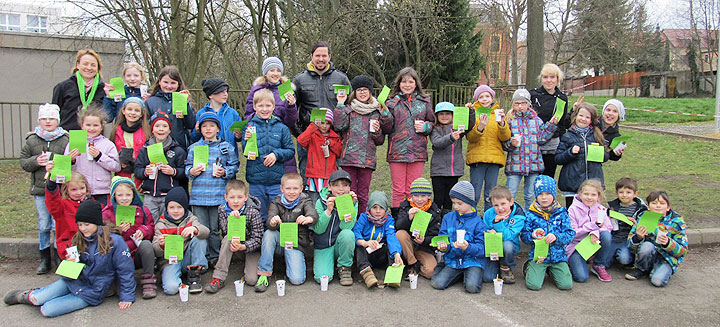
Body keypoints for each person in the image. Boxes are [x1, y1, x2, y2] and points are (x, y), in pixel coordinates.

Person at [3, 200, 135, 317]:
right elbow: (68, 275)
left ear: (97, 222)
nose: (83, 229)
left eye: (87, 224)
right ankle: (26, 295)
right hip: (73, 281)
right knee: (38, 299)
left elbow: (125, 270)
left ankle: (45, 296)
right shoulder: (78, 239)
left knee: (47, 310)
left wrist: (127, 296)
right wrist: (69, 264)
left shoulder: (114, 241)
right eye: (80, 225)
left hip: (93, 291)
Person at [20, 104, 69, 274]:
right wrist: (36, 161)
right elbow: (23, 162)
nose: (48, 121)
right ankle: (44, 258)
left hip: (59, 189)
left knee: (57, 224)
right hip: (40, 190)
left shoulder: (65, 139)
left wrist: (57, 161)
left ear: (58, 120)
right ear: (39, 120)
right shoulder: (32, 139)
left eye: (52, 118)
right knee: (43, 224)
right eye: (44, 118)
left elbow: (70, 161)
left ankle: (58, 255)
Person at [185, 111, 239, 265]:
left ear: (218, 129)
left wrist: (225, 172)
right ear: (200, 129)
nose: (208, 129)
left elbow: (234, 166)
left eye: (212, 126)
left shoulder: (226, 147)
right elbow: (187, 169)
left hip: (218, 195)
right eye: (204, 126)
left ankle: (215, 257)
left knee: (215, 230)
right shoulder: (194, 148)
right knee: (202, 229)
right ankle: (202, 258)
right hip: (199, 196)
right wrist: (192, 171)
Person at [333, 75, 393, 213]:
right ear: (354, 92)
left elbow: (381, 139)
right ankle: (348, 222)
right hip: (348, 159)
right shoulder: (348, 110)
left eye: (365, 89)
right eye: (359, 90)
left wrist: (378, 130)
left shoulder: (376, 111)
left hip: (367, 160)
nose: (362, 92)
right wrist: (340, 104)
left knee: (363, 195)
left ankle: (361, 221)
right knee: (348, 193)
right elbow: (338, 126)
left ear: (370, 91)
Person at [293, 42, 351, 179]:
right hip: (309, 138)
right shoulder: (300, 80)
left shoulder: (341, 79)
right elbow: (291, 109)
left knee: (335, 179)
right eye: (317, 55)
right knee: (307, 178)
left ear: (329, 56)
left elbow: (350, 105)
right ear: (311, 56)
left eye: (324, 56)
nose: (321, 59)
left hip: (333, 137)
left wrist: (342, 131)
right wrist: (299, 133)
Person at [254, 173, 317, 292]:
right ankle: (264, 274)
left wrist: (309, 218)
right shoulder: (276, 201)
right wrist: (273, 222)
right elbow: (269, 218)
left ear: (301, 189)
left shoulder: (305, 200)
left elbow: (313, 213)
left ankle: (287, 265)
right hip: (280, 241)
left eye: (295, 188)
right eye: (288, 188)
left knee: (297, 280)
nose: (291, 192)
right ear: (282, 189)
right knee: (269, 234)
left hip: (296, 243)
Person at [385, 67, 435, 212]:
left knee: (413, 189)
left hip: (417, 152)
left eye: (410, 82)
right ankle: (397, 221)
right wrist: (383, 114)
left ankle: (412, 221)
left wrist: (425, 127)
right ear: (399, 83)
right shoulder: (391, 102)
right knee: (398, 190)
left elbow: (433, 123)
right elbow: (387, 127)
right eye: (404, 81)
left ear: (416, 83)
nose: (407, 85)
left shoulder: (424, 102)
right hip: (396, 152)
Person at [242, 89, 295, 221]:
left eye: (268, 106)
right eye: (260, 106)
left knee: (277, 216)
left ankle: (275, 240)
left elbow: (290, 150)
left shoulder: (282, 128)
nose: (264, 109)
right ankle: (259, 240)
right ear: (254, 107)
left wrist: (276, 155)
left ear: (273, 106)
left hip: (276, 181)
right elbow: (247, 153)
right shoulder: (249, 126)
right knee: (258, 216)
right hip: (256, 181)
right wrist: (246, 141)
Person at [101, 177, 157, 298]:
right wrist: (116, 230)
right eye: (120, 195)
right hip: (117, 255)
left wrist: (143, 231)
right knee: (118, 291)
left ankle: (148, 281)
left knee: (146, 245)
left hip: (135, 252)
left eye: (128, 195)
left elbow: (151, 226)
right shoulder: (107, 212)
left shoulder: (142, 210)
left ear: (133, 195)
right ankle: (111, 279)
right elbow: (101, 234)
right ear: (113, 195)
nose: (124, 198)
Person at [504, 89, 558, 212]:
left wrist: (551, 125)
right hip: (515, 165)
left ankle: (530, 219)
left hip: (533, 164)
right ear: (513, 104)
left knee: (531, 196)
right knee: (510, 195)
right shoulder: (510, 121)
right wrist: (510, 144)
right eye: (517, 103)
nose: (520, 106)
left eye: (523, 103)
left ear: (529, 104)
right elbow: (504, 143)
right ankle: (508, 219)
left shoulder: (537, 120)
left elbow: (542, 139)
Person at [205, 180, 263, 294]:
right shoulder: (222, 210)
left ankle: (252, 267)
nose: (236, 201)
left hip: (251, 248)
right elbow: (226, 232)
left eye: (240, 197)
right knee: (227, 238)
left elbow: (258, 238)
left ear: (246, 197)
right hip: (234, 245)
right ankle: (218, 277)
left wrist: (244, 246)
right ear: (226, 197)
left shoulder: (253, 212)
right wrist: (231, 221)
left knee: (251, 280)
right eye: (232, 197)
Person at [430, 181, 487, 294]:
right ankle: (454, 272)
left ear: (470, 202)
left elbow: (482, 248)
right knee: (437, 283)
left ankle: (469, 274)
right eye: (454, 203)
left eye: (459, 203)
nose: (456, 206)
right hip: (453, 260)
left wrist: (467, 247)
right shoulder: (448, 218)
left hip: (473, 261)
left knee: (472, 287)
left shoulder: (478, 222)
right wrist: (443, 247)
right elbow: (443, 236)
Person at [520, 175, 575, 291]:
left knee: (566, 285)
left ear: (554, 195)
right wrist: (532, 235)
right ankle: (529, 267)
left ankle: (551, 270)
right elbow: (524, 236)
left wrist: (556, 237)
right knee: (533, 285)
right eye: (540, 194)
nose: (544, 198)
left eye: (548, 194)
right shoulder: (531, 214)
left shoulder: (562, 213)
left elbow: (570, 234)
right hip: (539, 256)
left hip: (558, 257)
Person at [245, 57, 299, 173]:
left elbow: (291, 121)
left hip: (280, 137)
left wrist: (291, 106)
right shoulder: (256, 90)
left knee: (285, 176)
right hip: (260, 136)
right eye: (272, 70)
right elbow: (248, 115)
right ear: (265, 73)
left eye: (278, 70)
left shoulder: (287, 90)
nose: (275, 74)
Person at [153, 187, 209, 294]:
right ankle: (177, 279)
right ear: (166, 208)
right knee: (171, 289)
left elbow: (206, 232)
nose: (175, 211)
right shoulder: (160, 225)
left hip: (188, 258)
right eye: (171, 207)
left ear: (185, 208)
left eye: (179, 207)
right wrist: (161, 245)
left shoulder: (191, 219)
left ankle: (195, 273)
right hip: (170, 261)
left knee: (200, 238)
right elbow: (155, 251)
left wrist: (195, 229)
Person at [626, 191, 688, 287]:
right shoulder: (643, 218)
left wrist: (668, 243)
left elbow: (682, 251)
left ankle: (659, 270)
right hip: (648, 254)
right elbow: (630, 246)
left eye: (662, 203)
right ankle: (641, 269)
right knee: (647, 246)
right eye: (654, 203)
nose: (658, 206)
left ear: (668, 207)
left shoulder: (676, 223)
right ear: (649, 207)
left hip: (667, 259)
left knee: (657, 281)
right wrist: (638, 237)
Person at [134, 113, 187, 221]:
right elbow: (137, 170)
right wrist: (145, 171)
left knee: (166, 222)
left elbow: (184, 172)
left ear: (169, 130)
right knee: (150, 221)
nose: (161, 129)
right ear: (152, 130)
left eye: (164, 126)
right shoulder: (145, 149)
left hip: (168, 195)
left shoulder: (177, 150)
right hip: (150, 194)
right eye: (157, 126)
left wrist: (173, 171)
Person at [465, 85, 510, 211]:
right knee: (475, 192)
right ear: (477, 99)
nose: (485, 99)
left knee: (490, 194)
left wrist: (502, 124)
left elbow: (505, 137)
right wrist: (480, 127)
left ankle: (489, 220)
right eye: (481, 97)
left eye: (487, 96)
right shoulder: (474, 113)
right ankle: (471, 217)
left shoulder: (498, 113)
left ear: (492, 98)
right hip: (477, 159)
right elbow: (470, 137)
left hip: (494, 159)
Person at [65, 106, 121, 206]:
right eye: (88, 125)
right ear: (82, 126)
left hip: (101, 190)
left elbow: (116, 167)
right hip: (79, 190)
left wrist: (100, 156)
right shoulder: (73, 143)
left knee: (101, 217)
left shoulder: (108, 144)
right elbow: (64, 168)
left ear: (101, 126)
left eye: (95, 125)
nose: (91, 128)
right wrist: (70, 160)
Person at [556, 102, 608, 207]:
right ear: (575, 117)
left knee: (593, 214)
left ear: (591, 120)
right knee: (573, 213)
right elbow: (558, 158)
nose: (583, 119)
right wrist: (570, 152)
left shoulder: (596, 135)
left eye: (587, 117)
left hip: (593, 182)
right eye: (581, 115)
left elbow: (606, 157)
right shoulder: (567, 136)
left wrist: (599, 152)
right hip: (573, 184)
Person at [313, 169, 358, 285]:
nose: (341, 189)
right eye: (336, 185)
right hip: (323, 245)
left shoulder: (353, 202)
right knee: (322, 278)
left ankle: (344, 267)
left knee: (348, 234)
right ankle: (328, 264)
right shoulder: (320, 202)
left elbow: (346, 227)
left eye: (345, 185)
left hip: (340, 244)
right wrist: (328, 211)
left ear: (349, 188)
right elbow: (318, 229)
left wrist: (350, 206)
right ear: (329, 187)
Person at [393, 178, 443, 279]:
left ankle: (416, 265)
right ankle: (412, 263)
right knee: (400, 234)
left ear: (429, 196)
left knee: (430, 272)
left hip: (424, 248)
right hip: (407, 245)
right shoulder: (405, 206)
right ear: (411, 196)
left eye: (423, 196)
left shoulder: (434, 210)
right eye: (416, 196)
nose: (419, 199)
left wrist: (424, 240)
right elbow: (397, 226)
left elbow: (436, 234)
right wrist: (408, 218)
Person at [430, 102, 474, 212]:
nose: (444, 116)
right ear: (436, 116)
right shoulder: (435, 129)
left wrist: (470, 112)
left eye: (448, 114)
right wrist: (451, 137)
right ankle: (437, 221)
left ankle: (447, 219)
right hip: (438, 171)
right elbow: (437, 142)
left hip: (454, 171)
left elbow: (470, 125)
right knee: (438, 198)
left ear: (453, 115)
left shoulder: (458, 127)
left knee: (450, 199)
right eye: (441, 114)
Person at [566, 179, 614, 282]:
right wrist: (592, 227)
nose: (589, 197)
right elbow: (572, 233)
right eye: (586, 194)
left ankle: (598, 264)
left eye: (593, 195)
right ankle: (574, 262)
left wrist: (595, 232)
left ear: (598, 196)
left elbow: (608, 227)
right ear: (580, 194)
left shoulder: (601, 209)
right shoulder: (572, 209)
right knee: (581, 278)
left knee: (606, 235)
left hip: (593, 244)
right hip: (577, 246)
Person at [353, 191, 403, 288]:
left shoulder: (389, 220)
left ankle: (393, 274)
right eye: (374, 207)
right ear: (369, 208)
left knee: (391, 248)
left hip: (380, 253)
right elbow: (356, 231)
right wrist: (364, 242)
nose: (378, 211)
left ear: (386, 209)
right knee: (359, 247)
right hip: (366, 252)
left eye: (381, 208)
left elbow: (391, 236)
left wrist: (396, 253)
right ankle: (367, 273)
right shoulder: (364, 217)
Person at [529, 63, 571, 178]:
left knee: (548, 177)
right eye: (545, 77)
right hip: (535, 143)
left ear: (557, 79)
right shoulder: (533, 95)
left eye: (552, 77)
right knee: (534, 179)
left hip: (553, 144)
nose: (549, 80)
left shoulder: (562, 98)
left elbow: (562, 124)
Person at [52, 49, 105, 130]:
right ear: (77, 65)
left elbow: (108, 116)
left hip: (93, 136)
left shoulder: (103, 89)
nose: (89, 68)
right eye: (85, 64)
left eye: (93, 65)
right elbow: (54, 113)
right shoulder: (63, 87)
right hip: (68, 134)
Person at [145, 65, 196, 150]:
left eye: (173, 83)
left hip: (179, 146)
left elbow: (190, 124)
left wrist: (186, 105)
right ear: (159, 82)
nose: (169, 86)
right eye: (165, 82)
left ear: (178, 84)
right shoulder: (150, 102)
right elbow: (146, 126)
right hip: (156, 147)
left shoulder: (183, 100)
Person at [482, 186, 525, 284]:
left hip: (509, 247)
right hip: (492, 249)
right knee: (487, 278)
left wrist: (497, 224)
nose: (500, 208)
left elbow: (509, 236)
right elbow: (483, 229)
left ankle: (506, 266)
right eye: (496, 205)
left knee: (507, 245)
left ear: (511, 202)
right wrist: (488, 233)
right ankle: (495, 264)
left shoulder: (518, 216)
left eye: (503, 204)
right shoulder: (488, 214)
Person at [297, 108, 342, 204]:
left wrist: (331, 144)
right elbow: (301, 140)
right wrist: (313, 126)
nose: (325, 126)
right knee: (314, 202)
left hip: (330, 176)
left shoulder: (335, 137)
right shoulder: (312, 135)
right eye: (322, 123)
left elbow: (339, 153)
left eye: (327, 123)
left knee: (329, 202)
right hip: (314, 176)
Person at [43, 171, 91, 260]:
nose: (79, 193)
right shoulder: (62, 206)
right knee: (72, 272)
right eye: (74, 190)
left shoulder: (93, 204)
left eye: (82, 188)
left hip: (90, 245)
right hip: (70, 246)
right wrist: (52, 184)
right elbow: (52, 201)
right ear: (66, 190)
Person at [191, 78, 242, 156]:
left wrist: (239, 136)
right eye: (221, 91)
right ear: (211, 95)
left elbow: (238, 138)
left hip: (230, 157)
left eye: (226, 91)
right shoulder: (201, 114)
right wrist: (197, 131)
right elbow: (194, 138)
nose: (225, 94)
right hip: (208, 156)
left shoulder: (233, 113)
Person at [110, 97, 151, 188]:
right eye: (129, 109)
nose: (132, 113)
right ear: (123, 111)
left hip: (140, 177)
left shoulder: (146, 132)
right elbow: (111, 152)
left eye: (136, 110)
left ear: (141, 114)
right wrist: (118, 161)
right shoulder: (116, 131)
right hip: (121, 175)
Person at [606, 177, 646, 268]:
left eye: (628, 192)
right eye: (621, 192)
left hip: (628, 239)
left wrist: (635, 224)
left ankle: (626, 256)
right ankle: (613, 254)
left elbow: (644, 226)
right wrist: (609, 219)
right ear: (617, 193)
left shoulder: (640, 209)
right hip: (614, 237)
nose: (624, 195)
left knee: (625, 259)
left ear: (635, 194)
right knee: (604, 263)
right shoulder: (612, 206)